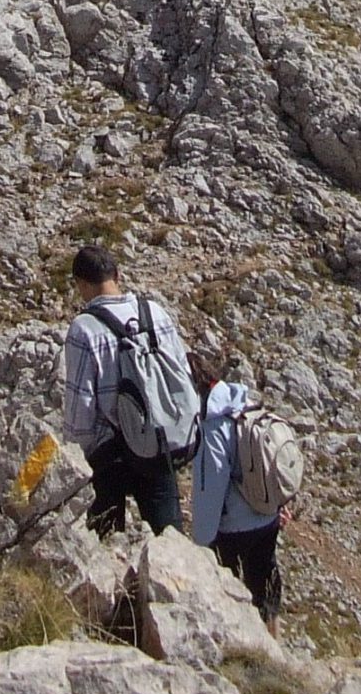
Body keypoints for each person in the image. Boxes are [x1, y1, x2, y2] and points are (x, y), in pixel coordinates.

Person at [60, 242, 187, 537]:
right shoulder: (154, 312)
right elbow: (182, 371)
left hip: (110, 454)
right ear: (117, 275)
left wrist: (78, 456)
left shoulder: (84, 328)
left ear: (81, 283)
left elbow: (81, 405)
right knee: (170, 537)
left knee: (103, 541)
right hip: (159, 441)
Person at [192, 363, 286, 625]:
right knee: (265, 585)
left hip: (233, 528)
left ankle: (238, 641)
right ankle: (272, 643)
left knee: (230, 596)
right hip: (268, 517)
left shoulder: (213, 429)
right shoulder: (248, 406)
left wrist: (201, 545)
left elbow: (210, 490)